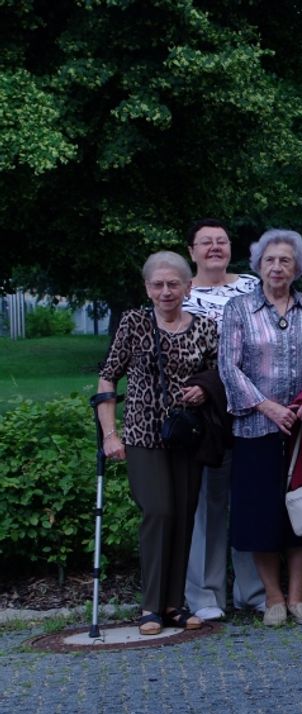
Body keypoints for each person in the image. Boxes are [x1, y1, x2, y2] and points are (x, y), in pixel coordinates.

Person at [219, 229, 302, 626]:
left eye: (285, 260)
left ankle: (298, 595)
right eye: (270, 260)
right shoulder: (238, 309)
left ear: (297, 266)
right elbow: (228, 367)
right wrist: (268, 407)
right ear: (258, 266)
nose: (277, 267)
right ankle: (272, 597)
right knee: (261, 513)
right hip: (256, 428)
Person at [97, 251, 219, 635]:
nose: (166, 291)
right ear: (147, 288)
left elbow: (219, 375)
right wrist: (110, 434)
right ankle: (150, 605)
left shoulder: (204, 327)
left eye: (173, 284)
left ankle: (174, 603)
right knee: (159, 511)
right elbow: (107, 378)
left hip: (186, 435)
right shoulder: (134, 323)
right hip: (142, 435)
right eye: (158, 284)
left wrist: (203, 388)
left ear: (187, 286)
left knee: (184, 517)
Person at [181, 218, 265, 621]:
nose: (215, 247)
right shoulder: (178, 291)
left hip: (253, 407)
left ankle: (253, 590)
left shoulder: (252, 286)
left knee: (250, 499)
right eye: (206, 242)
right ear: (192, 251)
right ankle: (205, 595)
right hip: (207, 413)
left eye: (222, 241)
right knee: (209, 505)